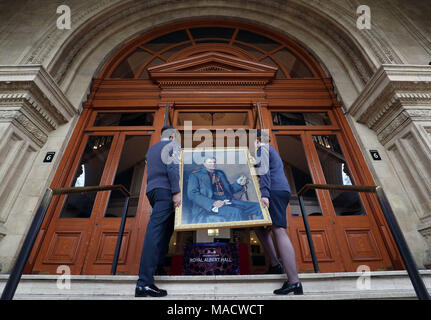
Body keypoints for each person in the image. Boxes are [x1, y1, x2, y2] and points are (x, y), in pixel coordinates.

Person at [253, 131, 303, 295]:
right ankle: (275, 264)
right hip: (281, 190)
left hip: (273, 191)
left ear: (258, 140)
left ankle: (294, 282)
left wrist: (265, 194)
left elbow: (265, 172)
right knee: (259, 227)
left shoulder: (263, 149)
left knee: (278, 230)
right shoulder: (270, 150)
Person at [135, 125, 181, 298]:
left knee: (166, 229)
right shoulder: (172, 146)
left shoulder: (151, 150)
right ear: (171, 136)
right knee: (155, 232)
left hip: (153, 191)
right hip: (165, 191)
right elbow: (172, 168)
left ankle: (159, 267)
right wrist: (176, 192)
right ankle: (144, 283)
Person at [187, 157, 263, 224]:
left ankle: (258, 233)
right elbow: (192, 194)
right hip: (209, 206)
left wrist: (239, 183)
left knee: (258, 207)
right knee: (236, 212)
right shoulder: (195, 175)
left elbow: (229, 190)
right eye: (210, 162)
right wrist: (213, 203)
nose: (213, 164)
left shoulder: (220, 173)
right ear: (204, 163)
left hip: (228, 201)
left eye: (214, 162)